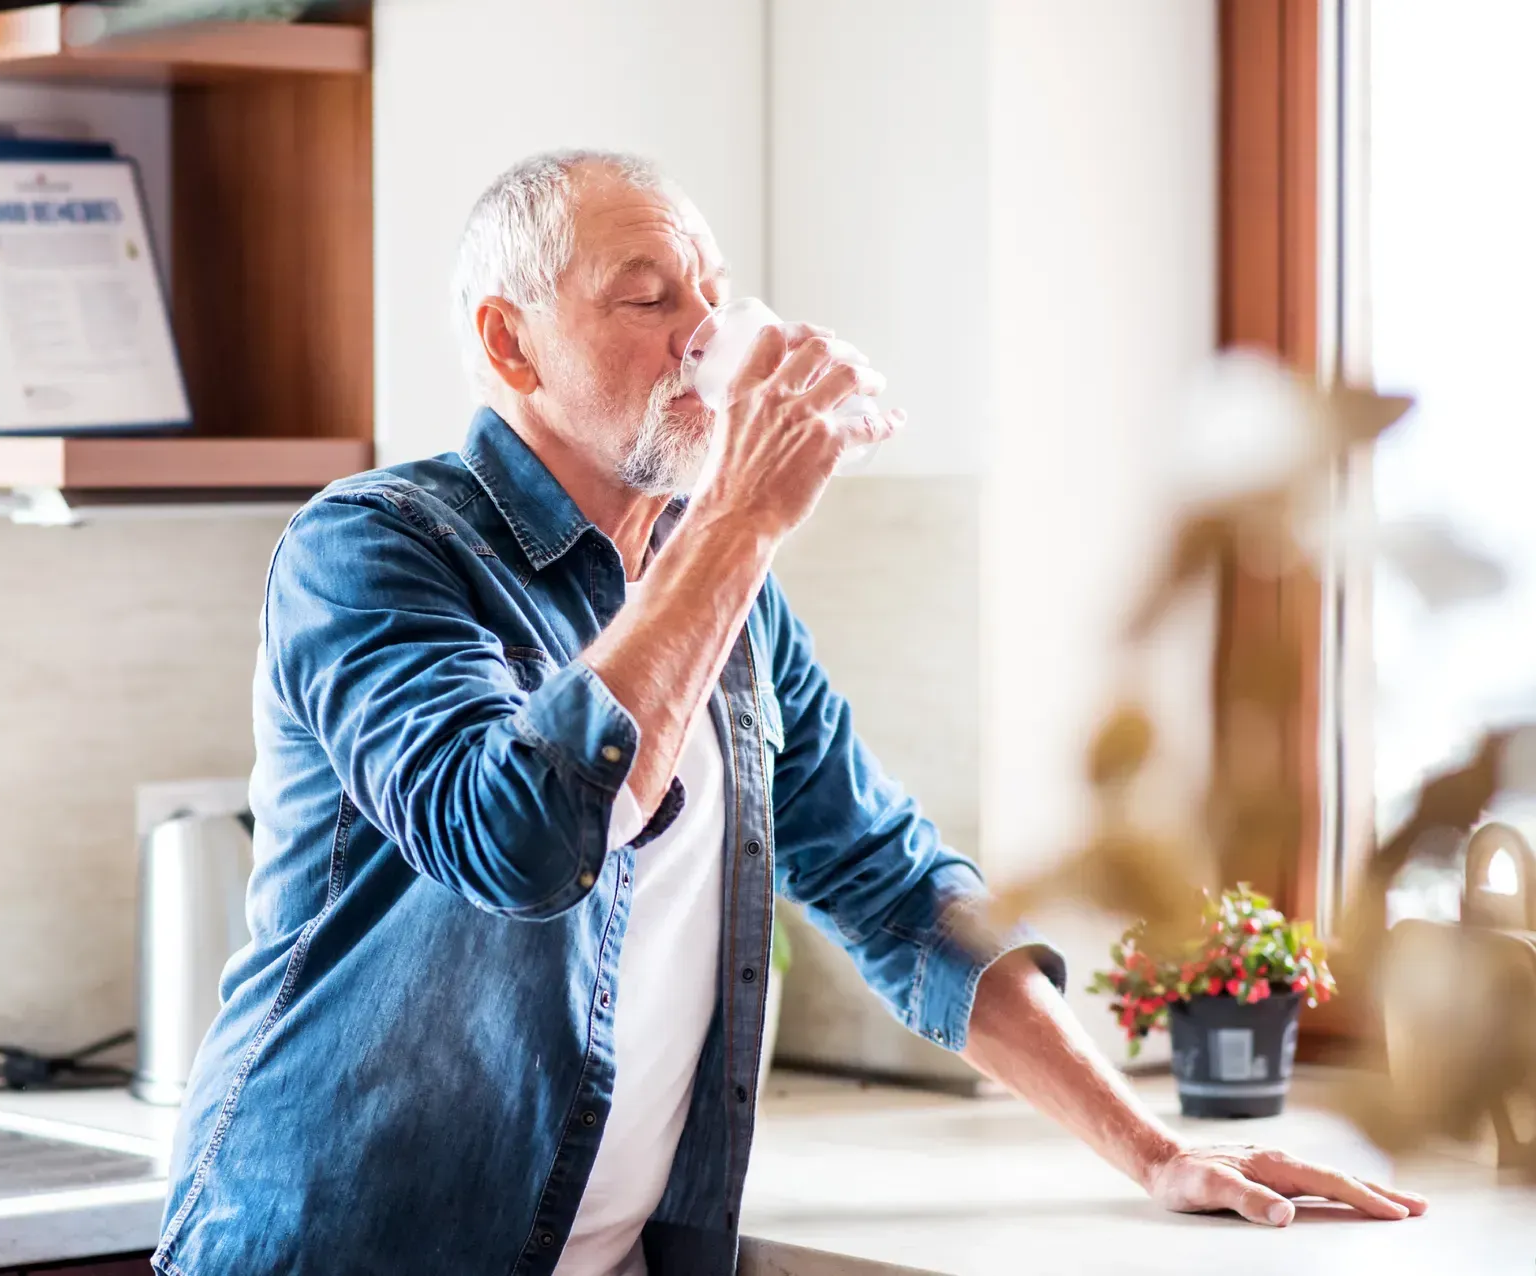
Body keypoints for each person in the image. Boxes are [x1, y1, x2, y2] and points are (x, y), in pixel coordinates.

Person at [153, 150, 1426, 1276]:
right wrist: (743, 519)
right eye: (648, 298)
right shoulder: (373, 546)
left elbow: (895, 889)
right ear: (510, 345)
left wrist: (1153, 1151)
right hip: (333, 1241)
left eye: (709, 295)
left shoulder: (729, 599)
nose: (703, 335)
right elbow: (520, 841)